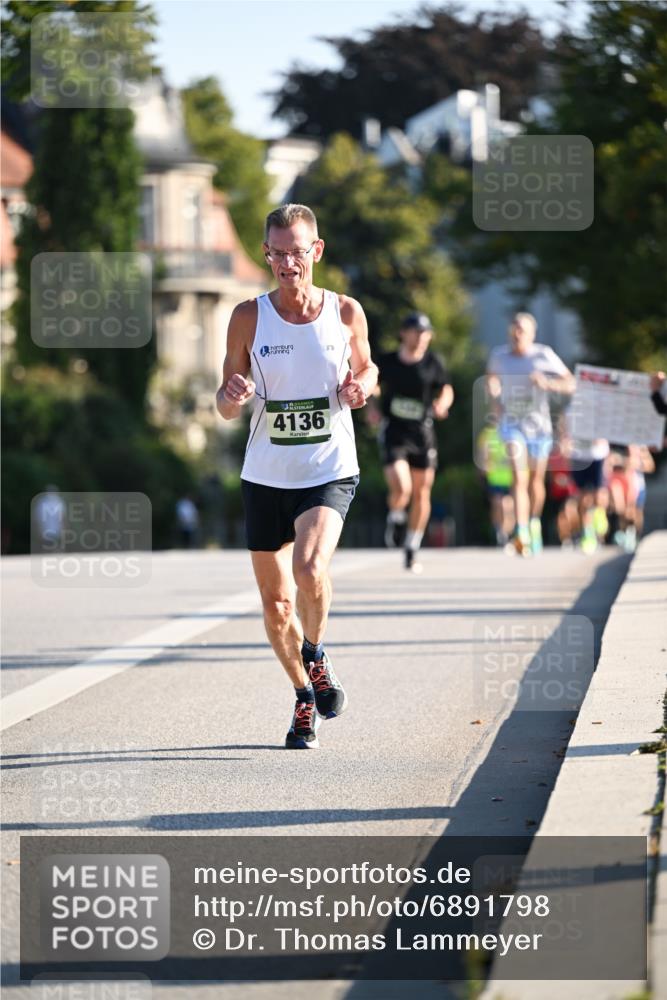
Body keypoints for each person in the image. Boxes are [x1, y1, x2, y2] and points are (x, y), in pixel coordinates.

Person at [216, 204, 377, 750]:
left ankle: (314, 650)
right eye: (278, 253)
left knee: (310, 568)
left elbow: (368, 368)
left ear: (317, 251)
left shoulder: (345, 312)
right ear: (266, 254)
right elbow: (224, 399)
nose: (288, 263)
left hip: (328, 469)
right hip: (265, 474)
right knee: (276, 603)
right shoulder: (247, 316)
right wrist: (231, 395)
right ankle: (304, 693)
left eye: (298, 252)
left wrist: (362, 388)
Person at [486, 313, 575, 556]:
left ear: (532, 335)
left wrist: (548, 384)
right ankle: (521, 530)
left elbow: (570, 383)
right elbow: (491, 379)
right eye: (514, 330)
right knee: (518, 474)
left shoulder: (543, 355)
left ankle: (533, 521)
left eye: (522, 330)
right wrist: (495, 394)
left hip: (539, 427)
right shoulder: (499, 356)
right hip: (512, 425)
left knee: (536, 480)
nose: (517, 334)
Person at [375, 313, 454, 571]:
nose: (421, 338)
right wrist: (372, 407)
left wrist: (442, 404)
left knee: (422, 492)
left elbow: (445, 388)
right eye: (416, 332)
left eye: (426, 333)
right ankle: (396, 517)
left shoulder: (433, 363)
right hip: (394, 431)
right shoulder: (388, 361)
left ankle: (412, 545)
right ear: (403, 333)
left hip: (422, 432)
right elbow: (372, 384)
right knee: (402, 486)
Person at [476, 420, 515, 547]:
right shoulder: (488, 433)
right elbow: (482, 453)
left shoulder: (513, 433)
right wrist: (484, 466)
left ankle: (507, 533)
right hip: (494, 478)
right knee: (498, 504)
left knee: (508, 506)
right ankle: (500, 531)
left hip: (510, 478)